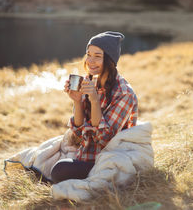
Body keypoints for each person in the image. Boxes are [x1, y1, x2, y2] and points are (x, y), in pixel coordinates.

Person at [51, 31, 138, 183]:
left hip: (109, 161)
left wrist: (95, 101)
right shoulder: (90, 82)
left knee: (59, 170)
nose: (90, 61)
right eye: (88, 54)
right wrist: (77, 101)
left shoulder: (124, 94)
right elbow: (78, 132)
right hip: (85, 156)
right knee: (50, 166)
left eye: (97, 56)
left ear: (110, 60)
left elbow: (105, 140)